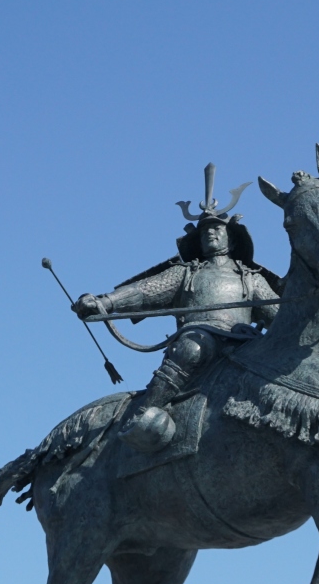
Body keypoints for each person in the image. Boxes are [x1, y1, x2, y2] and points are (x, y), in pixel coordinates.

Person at [73, 166, 281, 452]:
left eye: (218, 229)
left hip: (243, 340)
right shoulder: (186, 273)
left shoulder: (251, 278)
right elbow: (144, 291)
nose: (211, 234)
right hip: (200, 337)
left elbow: (278, 318)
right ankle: (144, 414)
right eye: (206, 230)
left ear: (231, 238)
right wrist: (105, 301)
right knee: (191, 348)